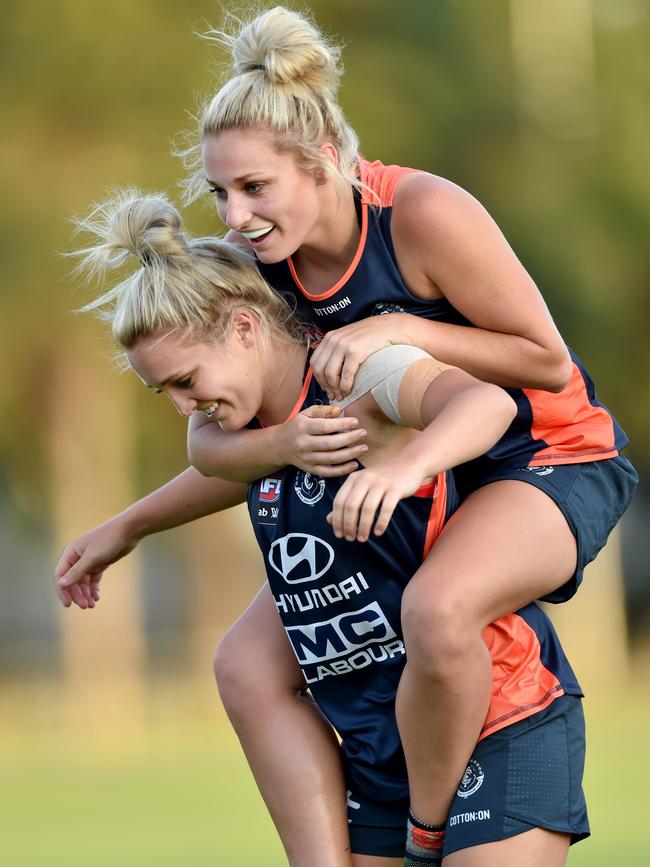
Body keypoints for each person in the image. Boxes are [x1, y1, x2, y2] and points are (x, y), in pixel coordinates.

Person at [171, 5, 636, 859]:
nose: (233, 217)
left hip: (547, 458)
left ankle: (426, 829)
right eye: (219, 193)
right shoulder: (272, 269)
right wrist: (122, 528)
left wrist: (397, 329)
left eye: (253, 187)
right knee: (246, 659)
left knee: (439, 604)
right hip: (441, 461)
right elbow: (245, 438)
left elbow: (541, 360)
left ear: (321, 163)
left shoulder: (421, 213)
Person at [57, 191, 589, 866]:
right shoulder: (255, 438)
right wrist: (127, 527)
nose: (186, 406)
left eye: (187, 380)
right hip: (377, 745)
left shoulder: (358, 377)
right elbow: (226, 469)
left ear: (246, 328)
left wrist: (404, 470)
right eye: (169, 392)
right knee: (242, 664)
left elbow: (482, 403)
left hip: (499, 717)